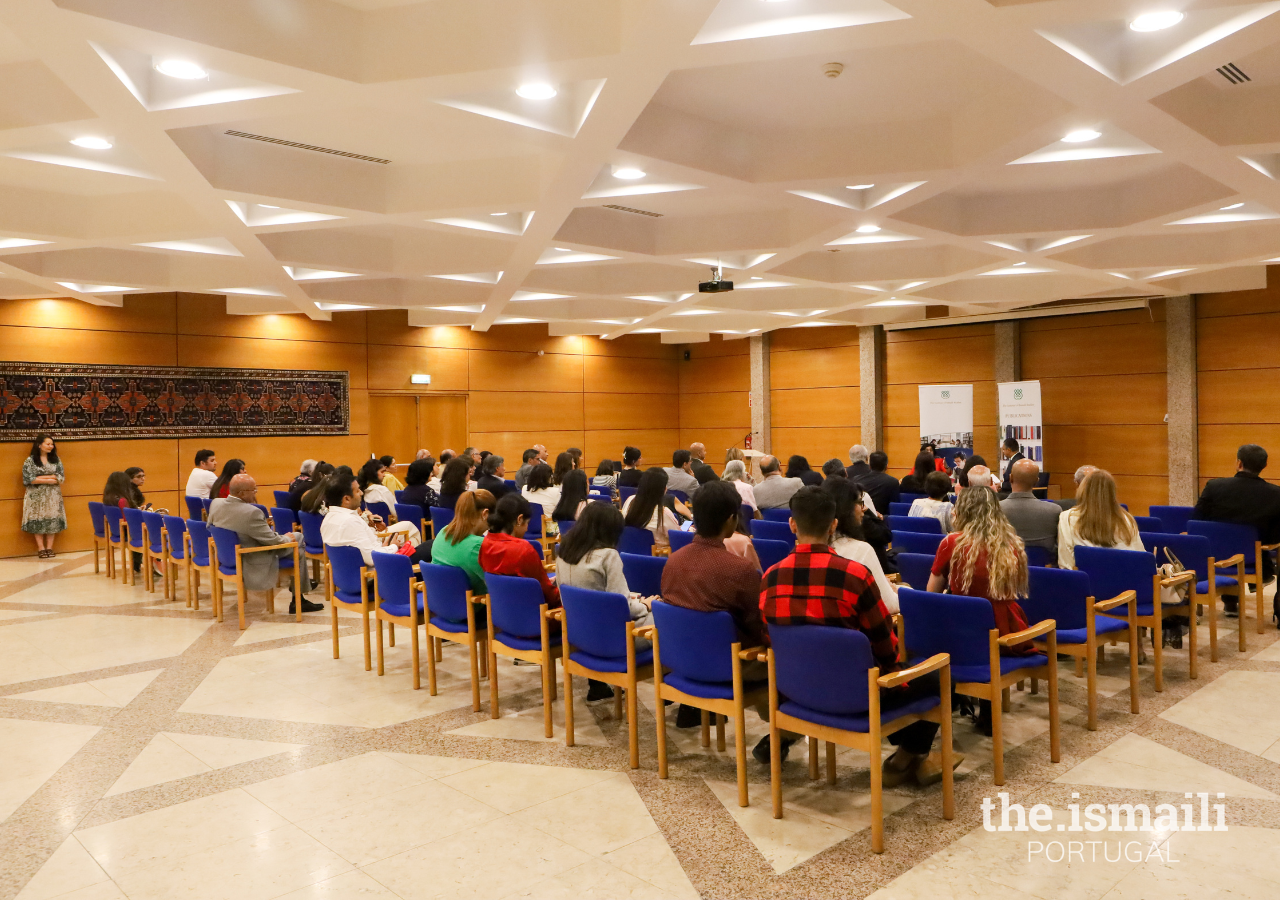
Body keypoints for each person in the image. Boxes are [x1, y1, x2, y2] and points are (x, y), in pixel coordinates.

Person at [761, 487, 956, 780]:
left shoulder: (770, 577)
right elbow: (886, 650)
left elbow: (773, 640)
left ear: (792, 524)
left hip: (795, 692)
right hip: (855, 697)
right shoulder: (854, 574)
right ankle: (903, 761)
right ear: (834, 525)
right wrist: (897, 670)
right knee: (939, 675)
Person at [662, 478, 768, 734]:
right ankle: (785, 735)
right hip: (729, 667)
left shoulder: (672, 561)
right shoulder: (739, 569)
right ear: (732, 519)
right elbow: (759, 626)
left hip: (680, 660)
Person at [927, 486, 1032, 735]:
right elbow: (1013, 588)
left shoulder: (952, 542)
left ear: (962, 510)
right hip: (1004, 629)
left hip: (959, 631)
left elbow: (931, 592)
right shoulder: (1012, 544)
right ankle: (986, 711)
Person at [557, 502, 655, 701]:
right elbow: (625, 608)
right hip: (614, 641)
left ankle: (598, 686)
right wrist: (645, 605)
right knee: (666, 615)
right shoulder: (607, 556)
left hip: (578, 635)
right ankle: (684, 700)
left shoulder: (563, 551)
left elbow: (597, 598)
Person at [209, 473, 316, 614]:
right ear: (241, 493)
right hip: (253, 556)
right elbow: (273, 540)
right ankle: (298, 597)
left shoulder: (216, 503)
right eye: (253, 490)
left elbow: (210, 527)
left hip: (228, 557)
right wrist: (288, 538)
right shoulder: (251, 512)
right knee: (298, 539)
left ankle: (299, 596)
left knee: (297, 547)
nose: (255, 493)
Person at [1192, 444, 1280, 591]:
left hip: (1213, 555)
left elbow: (1196, 520)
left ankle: (1230, 601)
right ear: (1264, 466)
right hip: (1253, 559)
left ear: (1239, 463)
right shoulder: (1276, 494)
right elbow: (1275, 535)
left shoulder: (1214, 486)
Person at [825, 479, 898, 612]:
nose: (863, 509)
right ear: (847, 508)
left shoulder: (809, 549)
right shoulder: (861, 551)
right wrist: (901, 591)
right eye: (860, 503)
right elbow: (889, 605)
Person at [480, 493, 559, 607]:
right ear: (519, 519)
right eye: (527, 523)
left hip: (502, 614)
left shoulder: (485, 544)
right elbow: (550, 596)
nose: (527, 528)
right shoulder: (523, 549)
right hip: (535, 617)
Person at [1057, 469, 1144, 570]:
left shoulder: (1067, 518)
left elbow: (1066, 564)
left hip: (1086, 583)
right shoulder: (1127, 519)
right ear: (1112, 492)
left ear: (1083, 490)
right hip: (1124, 582)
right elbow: (1139, 559)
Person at [320, 471, 409, 567]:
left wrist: (384, 546)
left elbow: (364, 549)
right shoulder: (350, 521)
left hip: (348, 577)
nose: (362, 493)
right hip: (376, 574)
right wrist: (394, 546)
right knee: (419, 551)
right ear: (346, 499)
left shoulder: (327, 519)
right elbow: (372, 558)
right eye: (358, 491)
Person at [431, 491, 496, 594]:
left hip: (441, 604)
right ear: (485, 514)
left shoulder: (443, 532)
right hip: (475, 607)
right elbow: (497, 585)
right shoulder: (477, 546)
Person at [1000, 459, 1061, 558]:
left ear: (1010, 478)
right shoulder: (1055, 511)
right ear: (1037, 481)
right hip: (1044, 571)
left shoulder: (995, 510)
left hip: (1007, 569)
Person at [623, 468, 681, 551]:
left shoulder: (629, 501)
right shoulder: (663, 513)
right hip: (658, 559)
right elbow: (677, 538)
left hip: (629, 555)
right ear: (662, 489)